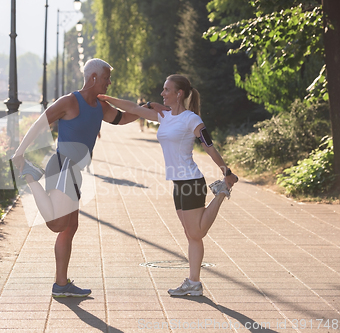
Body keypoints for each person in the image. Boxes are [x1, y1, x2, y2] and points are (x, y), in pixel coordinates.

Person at [12, 59, 160, 298]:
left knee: (70, 227)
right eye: (106, 78)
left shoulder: (99, 106)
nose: (109, 82)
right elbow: (40, 123)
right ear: (93, 78)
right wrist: (20, 152)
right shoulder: (70, 101)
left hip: (76, 171)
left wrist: (148, 107)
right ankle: (29, 175)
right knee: (57, 224)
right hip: (62, 167)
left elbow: (121, 119)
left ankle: (61, 284)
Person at [98, 74, 238, 297]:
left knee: (197, 232)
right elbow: (133, 108)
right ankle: (194, 283)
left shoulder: (191, 119)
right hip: (178, 183)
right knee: (191, 234)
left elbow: (209, 146)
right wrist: (106, 98)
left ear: (178, 93)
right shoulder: (163, 115)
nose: (162, 93)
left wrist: (226, 171)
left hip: (191, 181)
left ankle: (221, 192)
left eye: (166, 89)